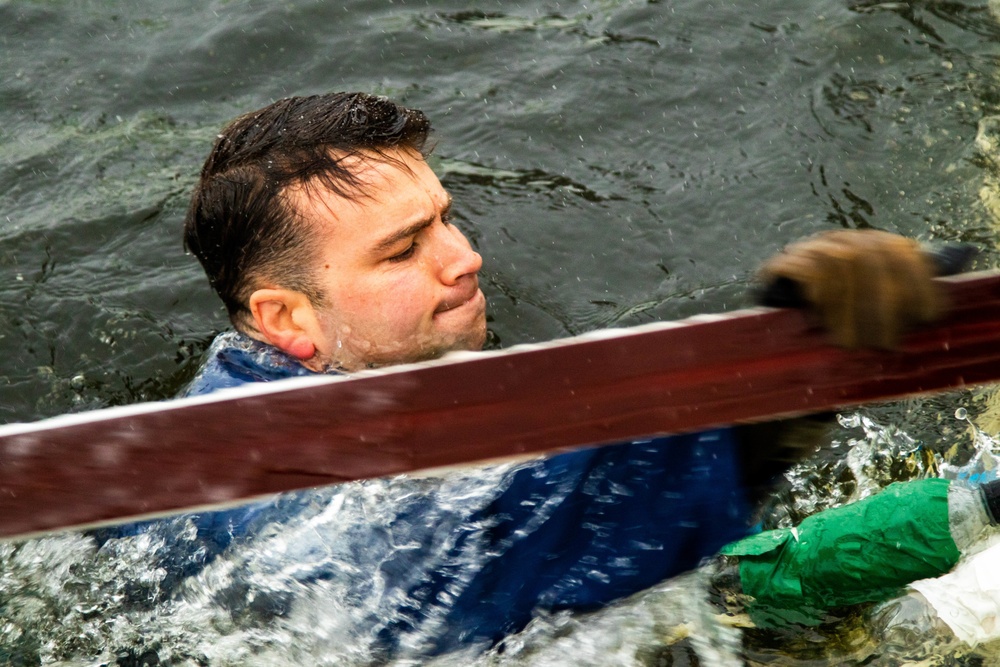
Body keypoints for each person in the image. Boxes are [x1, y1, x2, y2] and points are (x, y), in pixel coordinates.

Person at [173, 91, 944, 657]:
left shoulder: (370, 382)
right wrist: (764, 406)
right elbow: (430, 592)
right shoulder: (235, 480)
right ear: (285, 320)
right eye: (404, 249)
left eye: (445, 216)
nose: (464, 256)